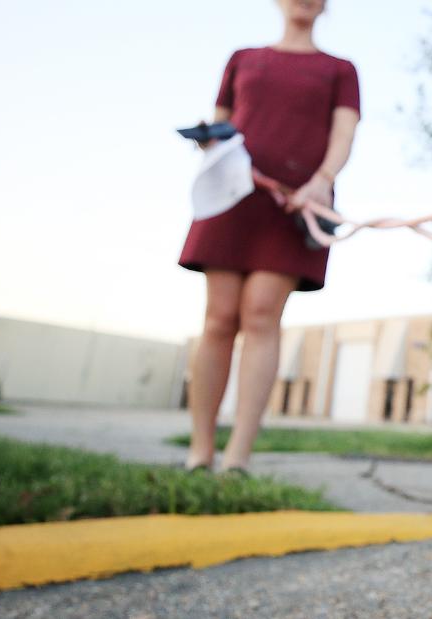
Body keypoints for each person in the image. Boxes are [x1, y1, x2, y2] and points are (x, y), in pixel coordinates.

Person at [178, 0, 359, 472]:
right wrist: (207, 139)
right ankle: (200, 452)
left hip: (299, 199)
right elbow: (220, 126)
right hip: (232, 198)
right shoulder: (243, 58)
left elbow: (344, 134)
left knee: (260, 314)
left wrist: (320, 181)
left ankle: (237, 457)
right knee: (218, 318)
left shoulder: (339, 69)